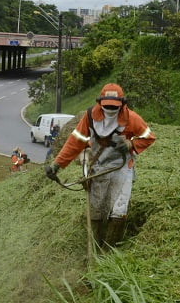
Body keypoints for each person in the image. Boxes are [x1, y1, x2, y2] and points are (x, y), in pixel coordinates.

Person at [45, 83, 156, 248]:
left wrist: (131, 144)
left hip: (122, 169)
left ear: (122, 104)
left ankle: (110, 250)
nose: (111, 109)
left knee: (119, 208)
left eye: (114, 106)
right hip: (98, 168)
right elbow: (75, 142)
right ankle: (94, 246)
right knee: (96, 209)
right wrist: (57, 165)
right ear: (100, 103)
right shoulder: (90, 117)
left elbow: (148, 137)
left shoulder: (131, 118)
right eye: (107, 106)